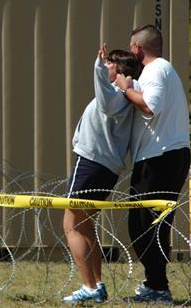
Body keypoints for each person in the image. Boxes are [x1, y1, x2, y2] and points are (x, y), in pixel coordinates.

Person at [115, 25, 191, 304]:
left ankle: (159, 288)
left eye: (130, 47)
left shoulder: (157, 69)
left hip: (160, 158)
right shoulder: (161, 70)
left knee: (144, 225)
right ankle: (155, 284)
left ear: (137, 48)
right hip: (164, 155)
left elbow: (150, 106)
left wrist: (125, 89)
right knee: (150, 224)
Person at [62, 45, 141, 304]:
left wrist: (97, 68)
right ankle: (95, 284)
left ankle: (88, 286)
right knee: (85, 226)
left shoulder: (117, 95)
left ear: (119, 72)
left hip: (92, 165)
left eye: (109, 63)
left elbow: (106, 103)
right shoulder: (124, 94)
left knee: (71, 225)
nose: (105, 65)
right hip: (102, 167)